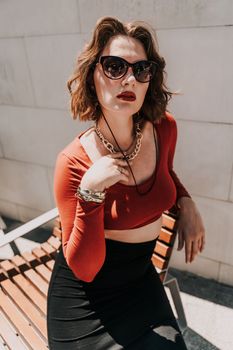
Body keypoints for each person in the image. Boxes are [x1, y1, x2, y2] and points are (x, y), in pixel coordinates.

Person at [47, 16, 205, 349]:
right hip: (85, 300)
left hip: (139, 280)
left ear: (150, 80)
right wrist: (90, 193)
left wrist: (186, 202)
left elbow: (166, 172)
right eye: (115, 67)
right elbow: (85, 269)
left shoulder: (164, 129)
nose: (129, 79)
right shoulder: (73, 162)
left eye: (141, 70)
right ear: (93, 75)